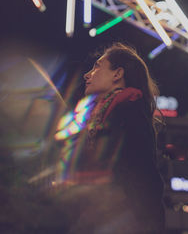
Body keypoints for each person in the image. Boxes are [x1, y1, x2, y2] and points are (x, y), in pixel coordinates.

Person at [58, 42, 165, 234]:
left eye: (97, 66)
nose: (87, 74)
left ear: (118, 74)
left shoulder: (129, 112)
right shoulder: (97, 120)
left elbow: (142, 179)